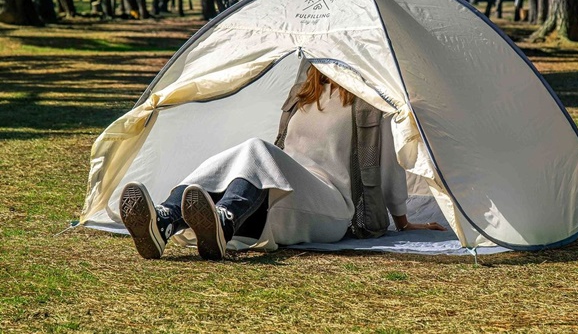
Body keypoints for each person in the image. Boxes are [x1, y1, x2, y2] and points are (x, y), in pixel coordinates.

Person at [119, 65, 446, 260]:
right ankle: (167, 220)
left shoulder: (370, 104)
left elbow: (388, 167)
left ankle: (222, 217)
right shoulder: (305, 93)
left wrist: (403, 223)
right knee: (245, 154)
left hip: (333, 206)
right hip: (287, 193)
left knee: (255, 148)